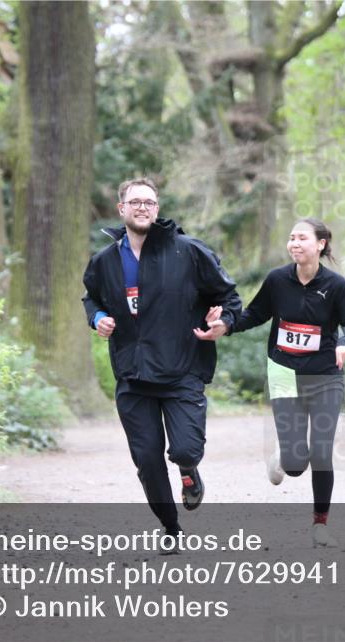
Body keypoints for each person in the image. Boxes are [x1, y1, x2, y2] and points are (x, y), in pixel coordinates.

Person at [82, 177, 240, 553]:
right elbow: (91, 298)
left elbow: (228, 296)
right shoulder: (105, 261)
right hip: (132, 375)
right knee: (147, 461)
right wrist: (98, 317)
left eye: (149, 202)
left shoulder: (188, 251)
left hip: (182, 370)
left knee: (185, 449)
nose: (142, 207)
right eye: (135, 201)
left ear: (157, 209)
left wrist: (224, 321)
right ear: (121, 209)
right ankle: (170, 527)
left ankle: (188, 470)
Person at [223, 218, 345, 547]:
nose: (295, 243)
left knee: (321, 452)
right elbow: (253, 314)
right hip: (284, 374)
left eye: (302, 238)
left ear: (321, 244)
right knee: (295, 465)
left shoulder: (336, 285)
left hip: (325, 377)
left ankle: (320, 524)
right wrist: (226, 325)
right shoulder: (277, 280)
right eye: (291, 238)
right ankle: (283, 456)